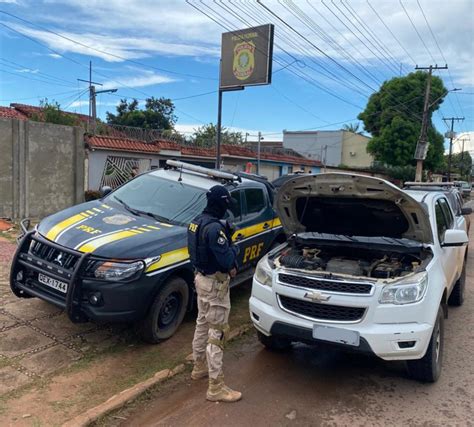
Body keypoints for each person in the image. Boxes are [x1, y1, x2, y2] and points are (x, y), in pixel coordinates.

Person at [187, 185, 241, 403]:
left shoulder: (195, 222)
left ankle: (199, 366)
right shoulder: (214, 230)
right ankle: (216, 386)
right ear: (222, 204)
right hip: (215, 285)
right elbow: (227, 260)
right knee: (217, 332)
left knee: (201, 322)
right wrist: (233, 245)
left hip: (200, 280)